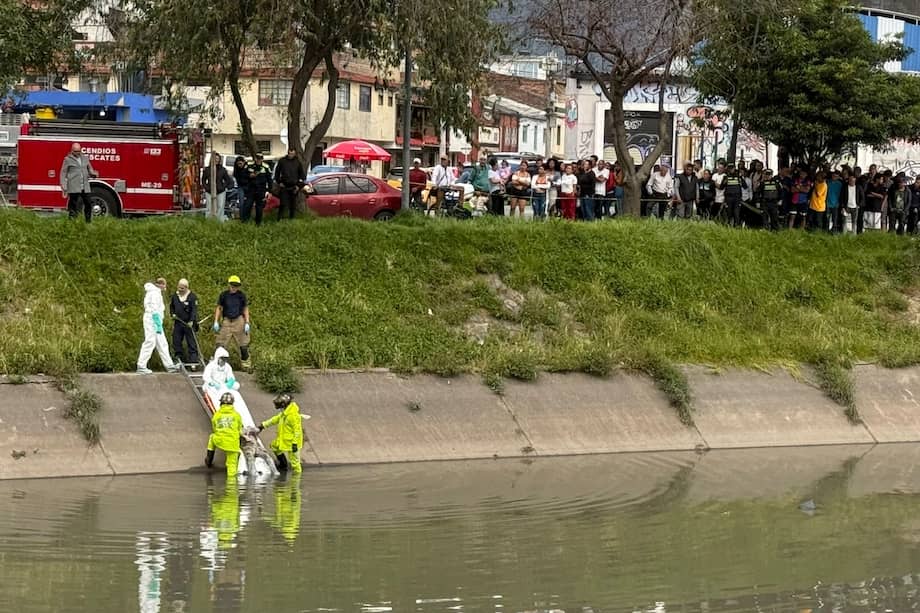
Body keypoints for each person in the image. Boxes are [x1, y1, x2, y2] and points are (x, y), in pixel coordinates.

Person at [136, 277, 179, 374]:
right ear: (161, 284)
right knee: (150, 341)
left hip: (156, 320)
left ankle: (169, 365)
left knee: (162, 343)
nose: (165, 287)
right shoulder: (154, 293)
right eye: (164, 285)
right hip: (152, 320)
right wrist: (157, 322)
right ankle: (141, 365)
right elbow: (154, 308)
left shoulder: (155, 292)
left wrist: (158, 322)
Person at [258, 393, 305, 474]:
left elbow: (297, 431)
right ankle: (283, 464)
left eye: (277, 404)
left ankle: (296, 480)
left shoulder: (293, 416)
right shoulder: (285, 413)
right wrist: (263, 425)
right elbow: (275, 419)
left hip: (292, 443)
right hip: (283, 439)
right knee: (274, 446)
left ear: (283, 404)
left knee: (295, 463)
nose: (276, 406)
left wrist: (294, 444)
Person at [213, 275, 252, 371]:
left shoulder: (241, 295)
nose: (234, 287)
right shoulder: (224, 295)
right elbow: (219, 308)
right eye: (233, 285)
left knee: (243, 345)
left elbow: (245, 308)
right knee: (221, 344)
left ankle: (246, 365)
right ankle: (219, 364)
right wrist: (216, 321)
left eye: (236, 285)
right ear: (229, 285)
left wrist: (247, 322)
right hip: (227, 321)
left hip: (239, 320)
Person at [205, 392, 244, 479]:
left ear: (221, 403)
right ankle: (231, 486)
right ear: (232, 403)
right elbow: (239, 430)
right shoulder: (237, 415)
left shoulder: (216, 415)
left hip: (219, 440)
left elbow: (214, 429)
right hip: (232, 443)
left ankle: (209, 460)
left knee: (212, 437)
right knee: (232, 466)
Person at [60, 142, 98, 222]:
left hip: (84, 185)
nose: (78, 153)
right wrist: (64, 186)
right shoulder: (67, 159)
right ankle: (72, 221)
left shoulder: (85, 158)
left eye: (79, 151)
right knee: (73, 205)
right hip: (73, 185)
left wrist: (93, 173)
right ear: (72, 151)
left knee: (88, 203)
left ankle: (88, 221)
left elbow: (90, 168)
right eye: (76, 151)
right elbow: (63, 173)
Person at [169, 278, 200, 369]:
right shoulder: (175, 296)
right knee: (176, 340)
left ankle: (193, 362)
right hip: (178, 322)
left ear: (186, 288)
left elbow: (194, 310)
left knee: (191, 343)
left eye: (182, 288)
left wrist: (191, 320)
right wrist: (172, 314)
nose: (180, 290)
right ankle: (179, 359)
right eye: (179, 287)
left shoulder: (192, 297)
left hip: (189, 324)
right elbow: (172, 307)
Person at [273, 148, 305, 220]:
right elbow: (277, 173)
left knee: (292, 204)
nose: (291, 155)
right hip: (284, 186)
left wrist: (298, 186)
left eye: (292, 154)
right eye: (290, 153)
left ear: (295, 154)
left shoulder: (297, 162)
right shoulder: (282, 161)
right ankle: (279, 219)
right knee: (283, 204)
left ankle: (291, 219)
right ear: (287, 153)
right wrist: (279, 182)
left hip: (294, 186)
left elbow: (302, 175)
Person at [201, 154, 233, 221]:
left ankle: (219, 221)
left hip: (220, 191)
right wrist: (206, 188)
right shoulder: (207, 169)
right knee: (209, 207)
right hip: (209, 191)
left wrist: (223, 187)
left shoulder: (223, 170)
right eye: (214, 158)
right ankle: (209, 221)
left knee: (220, 206)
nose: (216, 160)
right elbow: (203, 180)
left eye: (217, 158)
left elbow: (227, 180)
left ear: (219, 160)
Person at [243, 154, 272, 225]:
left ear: (262, 159)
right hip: (251, 189)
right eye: (258, 158)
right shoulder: (249, 165)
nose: (259, 160)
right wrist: (249, 176)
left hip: (261, 190)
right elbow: (243, 175)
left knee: (259, 208)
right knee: (247, 205)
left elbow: (269, 180)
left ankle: (258, 223)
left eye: (260, 159)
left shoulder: (266, 167)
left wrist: (270, 191)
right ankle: (245, 222)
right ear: (255, 158)